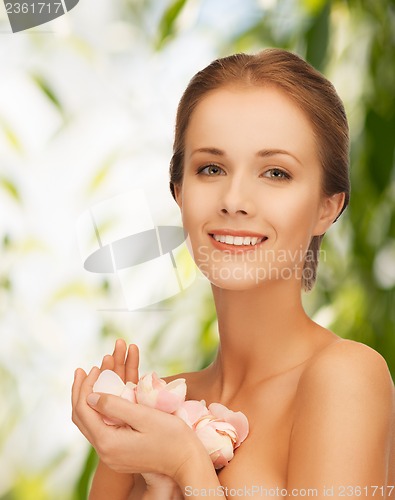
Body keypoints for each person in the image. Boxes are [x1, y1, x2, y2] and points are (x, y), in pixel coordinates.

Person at [72, 48, 395, 499]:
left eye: (276, 172)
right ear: (179, 192)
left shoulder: (346, 379)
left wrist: (187, 464)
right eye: (211, 168)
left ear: (327, 207)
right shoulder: (152, 406)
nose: (234, 199)